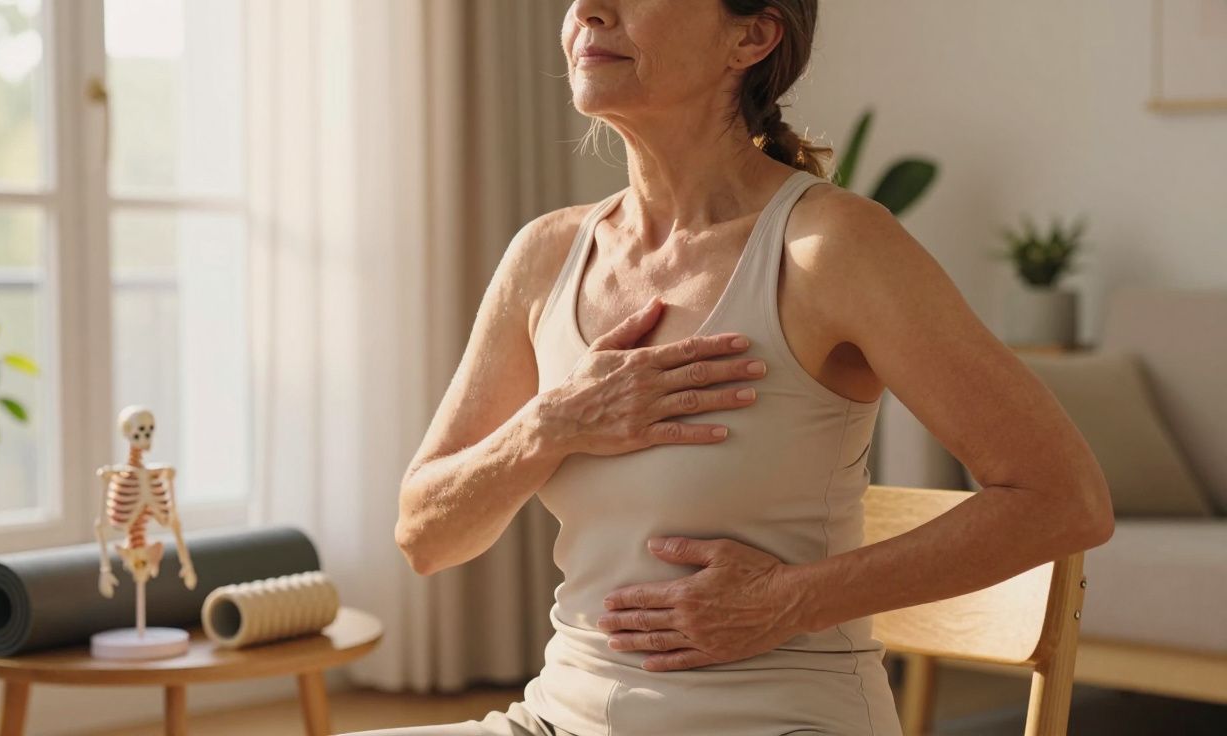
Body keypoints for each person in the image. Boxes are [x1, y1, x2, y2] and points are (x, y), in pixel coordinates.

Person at [348, 1, 1114, 734]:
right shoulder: (546, 256)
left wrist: (785, 600)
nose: (588, 8)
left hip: (776, 720)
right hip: (556, 718)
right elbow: (425, 535)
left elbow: (1063, 497)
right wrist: (553, 423)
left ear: (750, 38)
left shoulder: (830, 249)